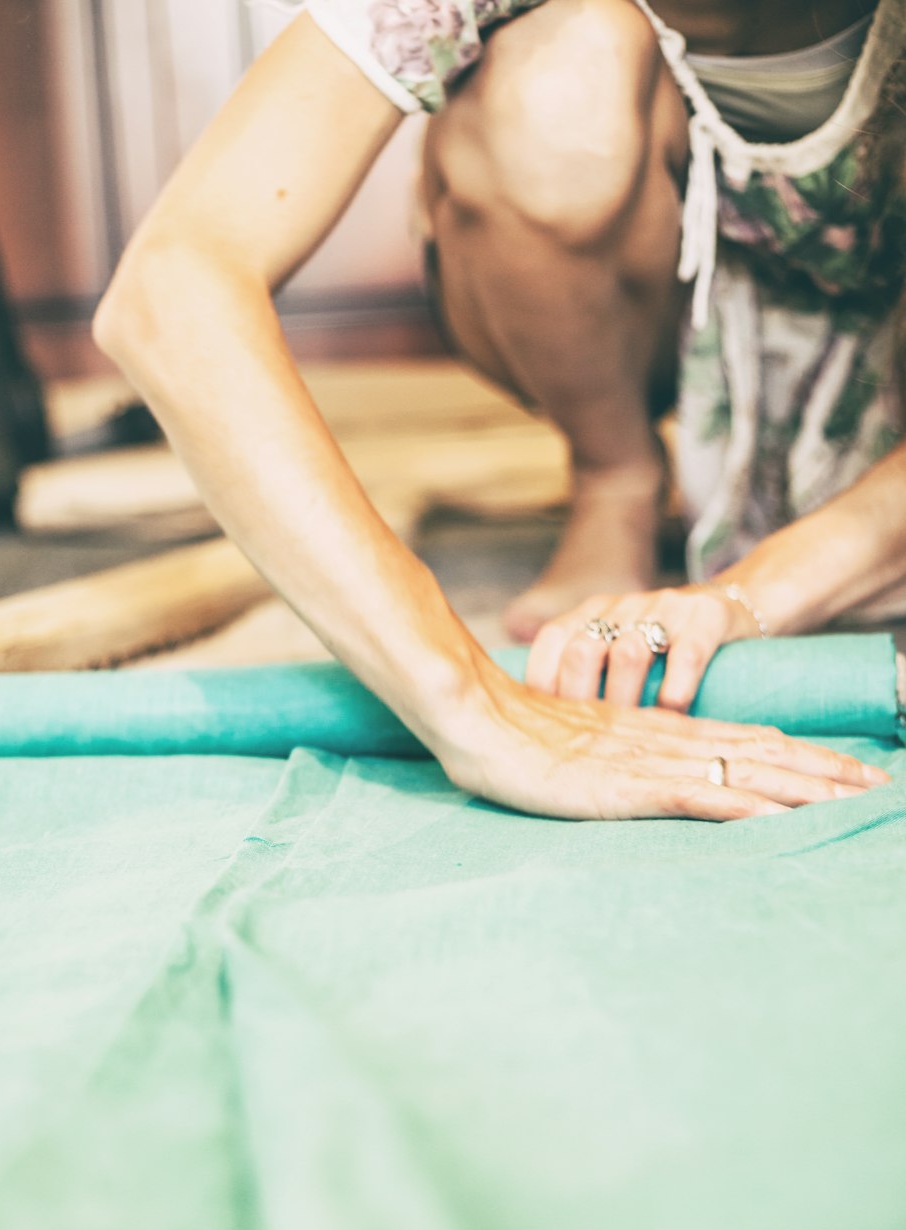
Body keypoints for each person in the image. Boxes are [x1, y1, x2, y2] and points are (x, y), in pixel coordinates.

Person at [92, 0, 895, 821]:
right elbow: (171, 288)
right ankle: (615, 477)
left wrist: (754, 593)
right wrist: (474, 705)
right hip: (665, 313)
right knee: (563, 60)